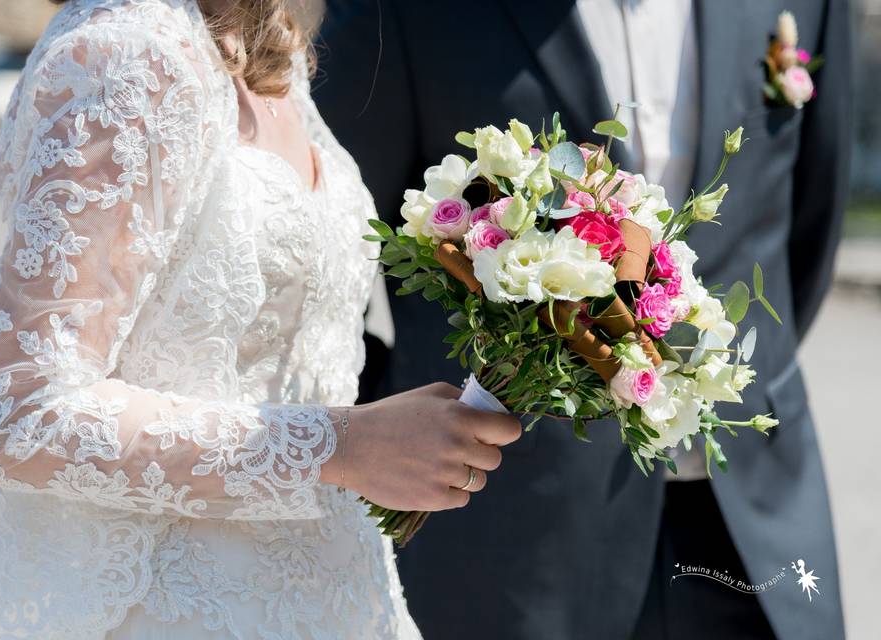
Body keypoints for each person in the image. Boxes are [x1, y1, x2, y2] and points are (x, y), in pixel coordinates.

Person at [0, 0, 522, 637]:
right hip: (176, 610)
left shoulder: (276, 56)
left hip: (336, 595)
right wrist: (342, 445)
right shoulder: (129, 54)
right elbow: (21, 412)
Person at [314, 0, 850, 637]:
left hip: (753, 531)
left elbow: (808, 230)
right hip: (509, 543)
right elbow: (318, 268)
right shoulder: (404, 13)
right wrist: (381, 424)